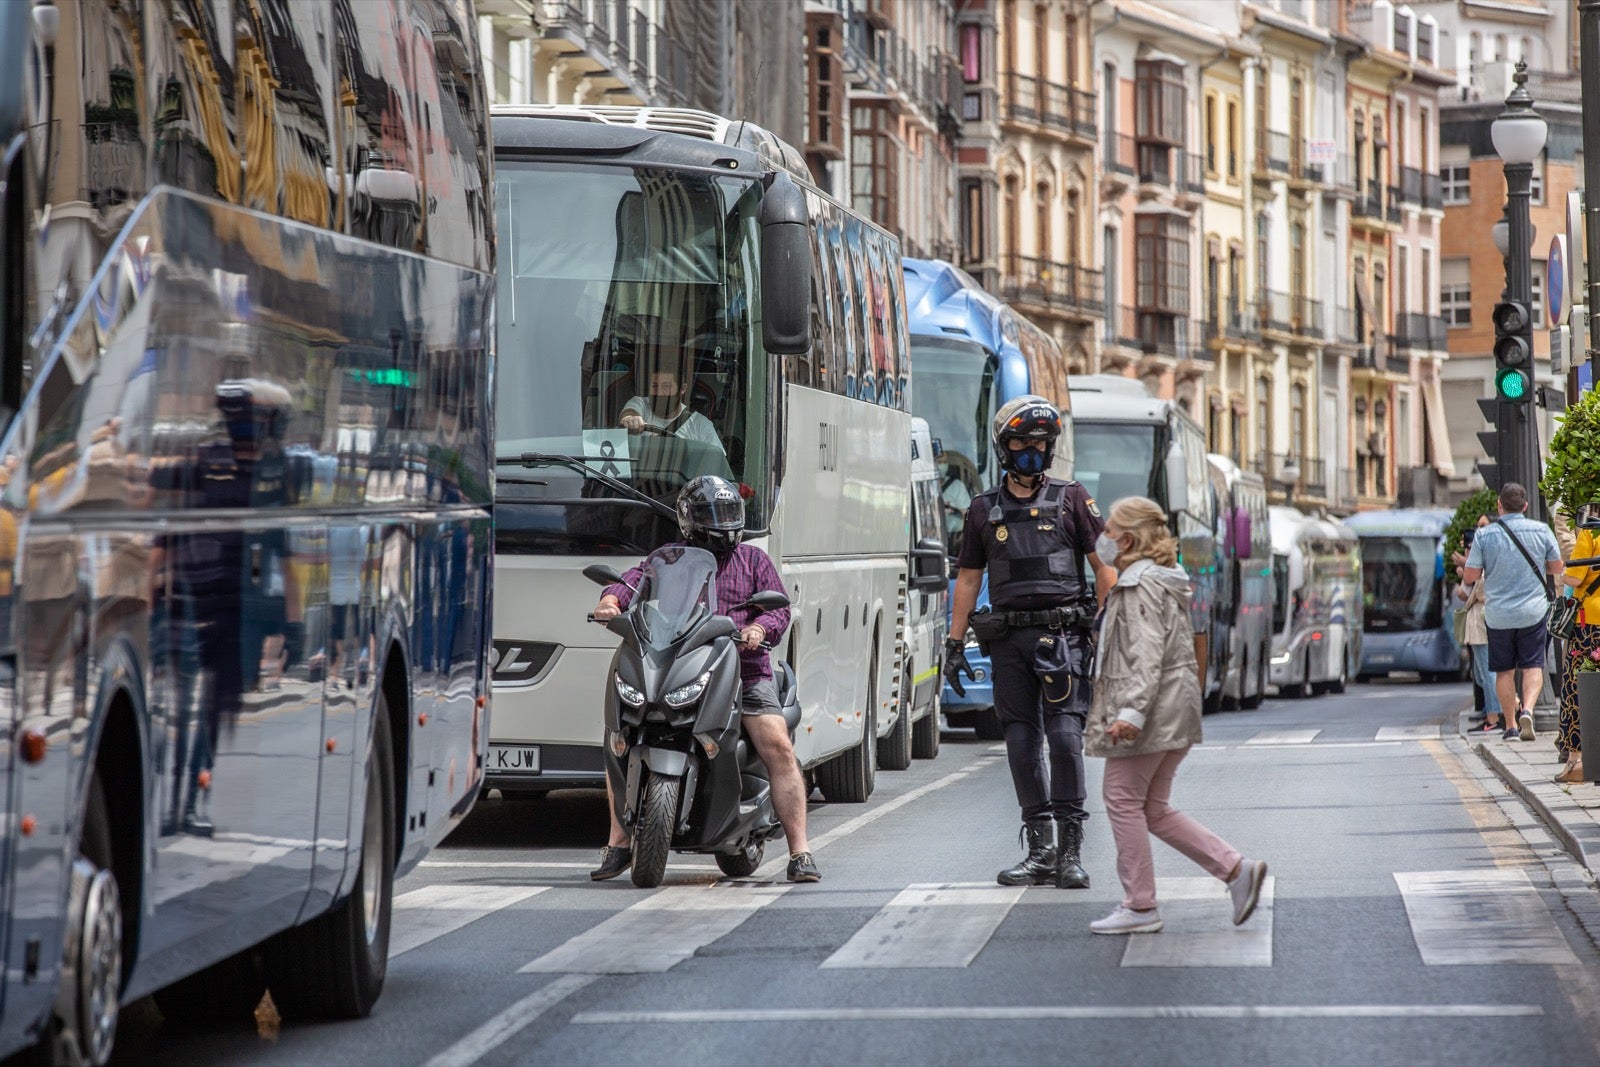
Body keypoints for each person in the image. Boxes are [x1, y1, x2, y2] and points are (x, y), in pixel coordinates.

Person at [588, 475, 819, 884]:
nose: (724, 522)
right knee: (619, 738)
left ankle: (800, 852)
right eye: (714, 514)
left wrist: (759, 630)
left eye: (730, 513)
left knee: (778, 747)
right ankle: (618, 843)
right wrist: (610, 601)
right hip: (677, 665)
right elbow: (633, 582)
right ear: (688, 518)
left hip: (744, 671)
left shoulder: (754, 560)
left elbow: (779, 610)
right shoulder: (670, 559)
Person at [944, 395, 1117, 889]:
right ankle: (1040, 850)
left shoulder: (1074, 499)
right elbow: (969, 580)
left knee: (1064, 740)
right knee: (1021, 742)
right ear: (1004, 447)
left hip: (1064, 639)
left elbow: (1106, 567)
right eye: (1021, 442)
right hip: (1009, 641)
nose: (1031, 451)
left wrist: (1105, 626)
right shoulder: (983, 509)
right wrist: (954, 644)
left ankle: (1070, 852)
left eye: (1039, 442)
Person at [1083, 496, 1268, 935]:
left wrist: (1131, 711)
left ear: (1128, 538)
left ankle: (1140, 905)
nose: (1102, 538)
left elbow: (1145, 655)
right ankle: (1236, 870)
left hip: (1153, 712)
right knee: (1154, 808)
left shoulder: (1139, 585)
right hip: (1173, 709)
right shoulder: (1163, 579)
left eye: (1109, 530)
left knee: (1122, 800)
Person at [1462, 482, 1564, 743]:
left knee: (1504, 671)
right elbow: (1556, 567)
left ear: (1499, 505)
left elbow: (1471, 575)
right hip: (1533, 611)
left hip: (1498, 615)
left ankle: (1510, 726)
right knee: (1532, 665)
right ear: (1526, 506)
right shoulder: (1541, 530)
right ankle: (1527, 710)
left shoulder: (1485, 536)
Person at [1557, 505, 1600, 782]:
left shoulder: (1591, 533)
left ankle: (1576, 761)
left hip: (1589, 626)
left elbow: (1574, 576)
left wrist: (1563, 574)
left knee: (1577, 689)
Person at [618, 355, 724, 453]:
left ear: (682, 389)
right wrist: (630, 419)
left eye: (666, 386)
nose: (659, 392)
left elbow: (717, 463)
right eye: (654, 386)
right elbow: (630, 412)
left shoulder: (700, 424)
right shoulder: (640, 403)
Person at [1453, 519, 1492, 724]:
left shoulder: (1484, 561)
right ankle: (1489, 710)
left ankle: (1493, 714)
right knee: (1480, 671)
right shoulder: (1479, 559)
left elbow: (1477, 589)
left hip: (1481, 622)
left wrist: (1464, 568)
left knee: (1486, 670)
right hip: (1476, 623)